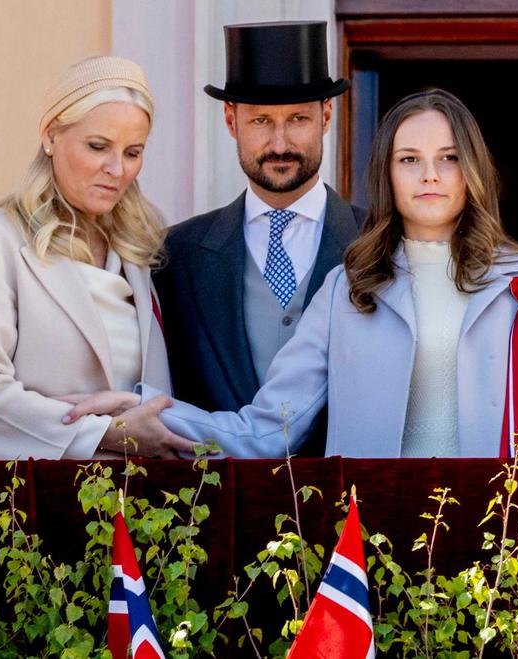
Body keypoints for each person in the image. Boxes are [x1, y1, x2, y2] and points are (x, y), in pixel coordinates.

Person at [64, 89, 518, 459]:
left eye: (449, 158)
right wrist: (144, 409)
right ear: (387, 174)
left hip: (503, 552)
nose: (430, 175)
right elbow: (267, 430)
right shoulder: (347, 288)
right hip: (376, 556)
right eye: (409, 159)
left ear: (472, 169)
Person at [0, 56, 190, 460]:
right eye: (98, 146)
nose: (117, 169)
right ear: (50, 136)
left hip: (133, 497)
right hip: (18, 495)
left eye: (133, 152)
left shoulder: (139, 257)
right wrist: (105, 433)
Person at [153, 21, 365, 456]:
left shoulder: (381, 244)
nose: (280, 143)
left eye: (298, 119)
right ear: (231, 121)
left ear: (326, 116)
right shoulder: (175, 256)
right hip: (212, 495)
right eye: (261, 121)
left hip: (349, 496)